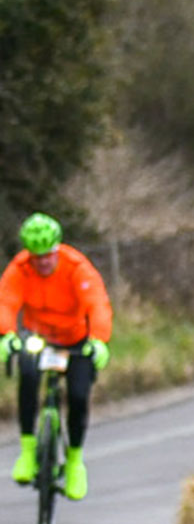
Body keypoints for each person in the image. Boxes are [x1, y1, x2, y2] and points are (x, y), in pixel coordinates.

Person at [0, 212, 112, 500]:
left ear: (56, 250)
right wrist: (7, 335)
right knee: (27, 374)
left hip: (76, 340)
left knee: (77, 396)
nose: (43, 263)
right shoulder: (20, 269)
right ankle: (27, 450)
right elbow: (6, 301)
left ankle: (74, 461)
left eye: (48, 256)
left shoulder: (77, 268)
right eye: (37, 258)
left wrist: (99, 340)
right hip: (39, 339)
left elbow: (97, 303)